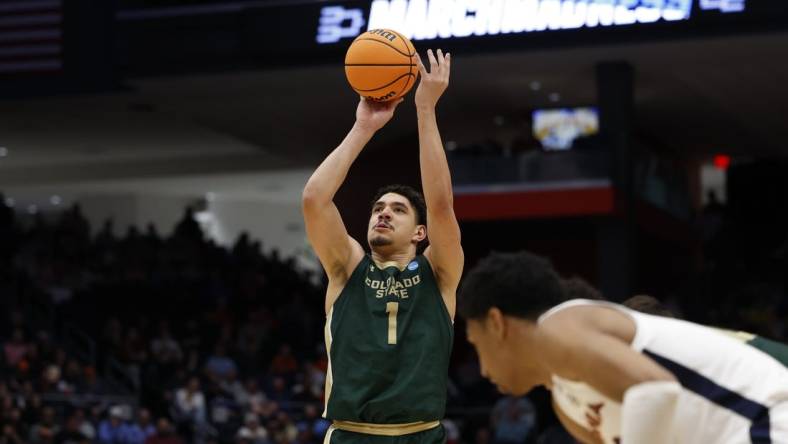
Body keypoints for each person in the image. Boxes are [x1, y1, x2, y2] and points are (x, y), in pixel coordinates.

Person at [302, 48, 463, 443]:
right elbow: (314, 200)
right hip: (351, 434)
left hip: (421, 435)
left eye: (397, 209)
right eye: (377, 208)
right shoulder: (347, 266)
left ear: (419, 233)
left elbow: (441, 205)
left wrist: (426, 110)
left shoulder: (439, 273)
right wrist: (364, 128)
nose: (383, 213)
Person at [459, 250, 788, 444]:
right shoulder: (565, 403)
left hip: (766, 416)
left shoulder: (560, 324)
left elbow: (656, 389)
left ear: (496, 323)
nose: (484, 370)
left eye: (476, 344)